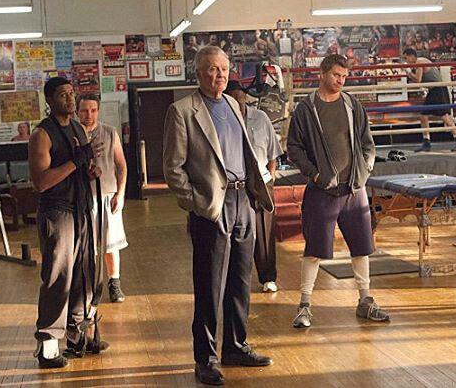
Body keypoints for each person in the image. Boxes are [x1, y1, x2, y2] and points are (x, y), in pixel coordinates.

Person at [163, 45, 274, 386]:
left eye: (224, 69)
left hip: (243, 201)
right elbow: (173, 168)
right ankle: (206, 359)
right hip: (212, 206)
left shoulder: (232, 104)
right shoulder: (183, 110)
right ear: (198, 73)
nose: (219, 75)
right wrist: (197, 203)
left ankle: (236, 347)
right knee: (209, 286)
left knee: (240, 281)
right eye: (212, 69)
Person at [286, 54, 389, 329]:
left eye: (344, 76)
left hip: (354, 188)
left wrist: (364, 172)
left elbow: (368, 143)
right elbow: (294, 148)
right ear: (322, 73)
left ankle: (365, 300)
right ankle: (304, 305)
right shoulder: (306, 109)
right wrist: (315, 174)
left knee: (362, 247)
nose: (341, 80)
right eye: (336, 75)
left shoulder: (352, 105)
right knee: (314, 248)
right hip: (322, 190)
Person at [28, 77, 108, 369]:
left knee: (84, 273)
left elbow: (83, 167)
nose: (70, 99)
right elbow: (42, 182)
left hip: (82, 207)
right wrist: (75, 163)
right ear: (50, 100)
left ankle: (78, 335)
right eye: (63, 95)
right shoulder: (42, 135)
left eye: (72, 93)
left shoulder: (78, 129)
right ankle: (48, 345)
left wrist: (90, 169)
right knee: (59, 276)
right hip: (57, 211)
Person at [224, 80, 282, 294]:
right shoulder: (223, 121)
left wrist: (270, 178)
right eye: (233, 97)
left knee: (265, 232)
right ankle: (238, 280)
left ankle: (268, 277)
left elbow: (273, 152)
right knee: (237, 234)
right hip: (234, 184)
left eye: (241, 96)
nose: (238, 101)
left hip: (262, 182)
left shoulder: (261, 118)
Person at [76, 94, 129, 303]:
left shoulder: (110, 132)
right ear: (77, 112)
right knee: (86, 245)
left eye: (93, 110)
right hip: (81, 196)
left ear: (98, 111)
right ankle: (90, 287)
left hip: (107, 194)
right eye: (84, 110)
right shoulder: (72, 134)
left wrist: (120, 193)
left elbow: (122, 165)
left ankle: (114, 283)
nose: (88, 115)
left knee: (110, 243)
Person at [402, 48, 456, 152]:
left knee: (444, 117)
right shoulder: (420, 62)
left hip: (437, 90)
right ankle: (427, 142)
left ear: (411, 56)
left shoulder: (419, 62)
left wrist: (408, 72)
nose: (406, 61)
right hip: (435, 90)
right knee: (424, 115)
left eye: (406, 58)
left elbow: (418, 80)